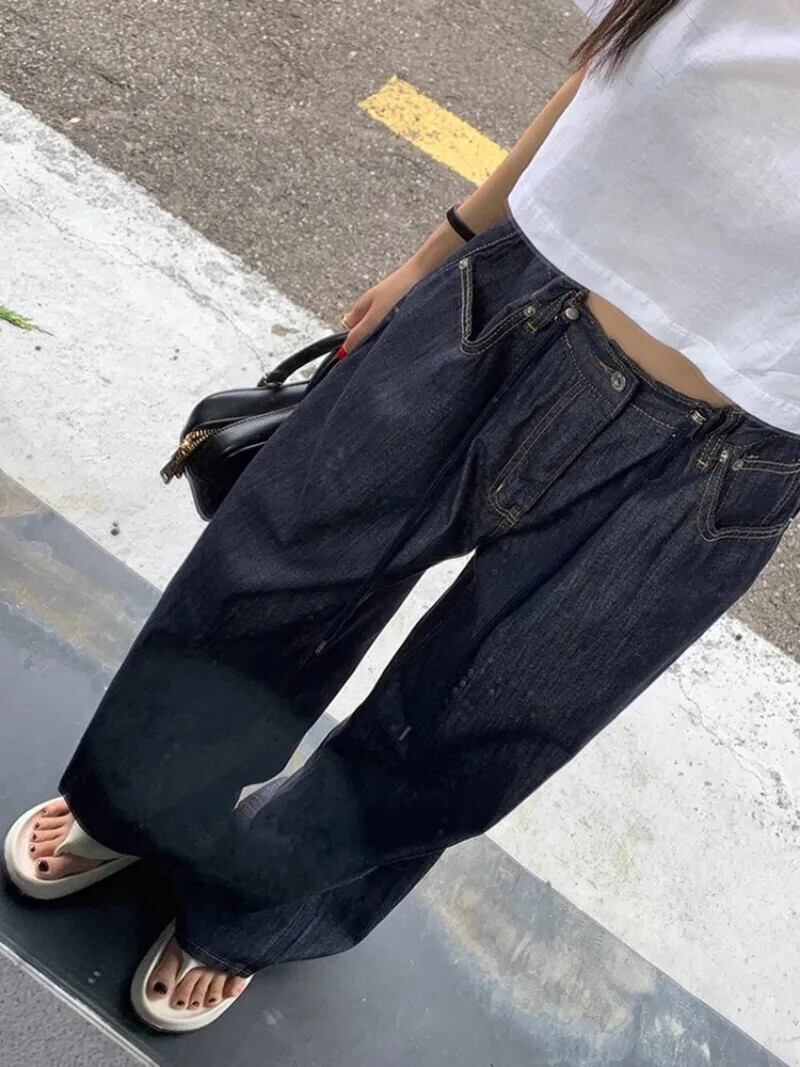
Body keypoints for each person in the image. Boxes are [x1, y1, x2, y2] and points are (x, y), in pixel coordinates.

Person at [5, 0, 800, 1032]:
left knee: (468, 731)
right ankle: (137, 806)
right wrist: (435, 253)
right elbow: (613, 64)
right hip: (511, 307)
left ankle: (256, 907)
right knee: (264, 590)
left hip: (729, 462)